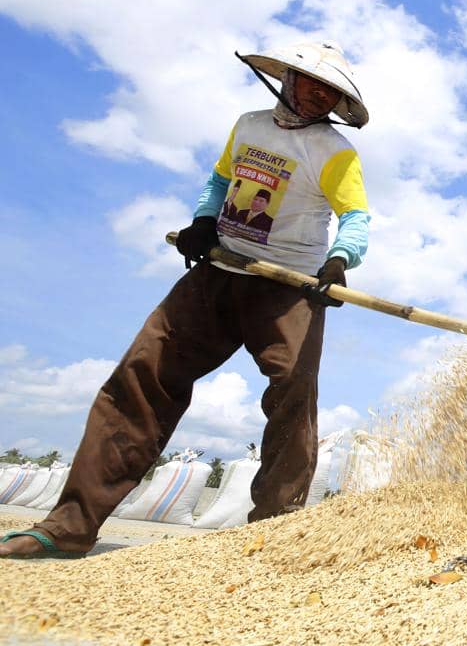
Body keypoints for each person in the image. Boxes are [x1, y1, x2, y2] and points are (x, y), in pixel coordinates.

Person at [1, 41, 371, 558]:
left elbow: (355, 216)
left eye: (330, 92)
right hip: (220, 269)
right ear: (287, 80)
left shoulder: (334, 151)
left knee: (293, 390)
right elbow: (220, 181)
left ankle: (271, 536)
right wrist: (203, 220)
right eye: (311, 83)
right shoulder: (248, 126)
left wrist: (339, 260)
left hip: (287, 285)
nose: (318, 96)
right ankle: (68, 526)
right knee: (142, 372)